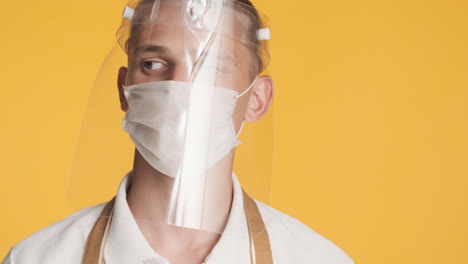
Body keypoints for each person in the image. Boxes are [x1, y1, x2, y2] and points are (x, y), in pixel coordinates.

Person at [2, 0, 353, 263]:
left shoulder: (314, 258)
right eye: (153, 63)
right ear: (125, 88)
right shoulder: (37, 258)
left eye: (213, 66)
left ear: (257, 99)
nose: (180, 87)